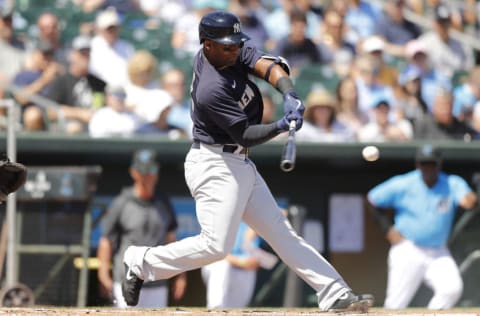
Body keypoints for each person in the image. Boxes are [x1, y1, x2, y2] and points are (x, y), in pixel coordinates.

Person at [121, 10, 374, 312]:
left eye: (236, 44)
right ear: (207, 45)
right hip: (214, 163)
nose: (235, 50)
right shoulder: (209, 89)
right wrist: (281, 126)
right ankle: (141, 261)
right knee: (215, 247)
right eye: (227, 46)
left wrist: (289, 92)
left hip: (238, 164)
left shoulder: (228, 52)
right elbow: (245, 134)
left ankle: (334, 293)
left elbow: (266, 65)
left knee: (281, 233)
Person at [367, 144, 478, 309]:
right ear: (418, 165)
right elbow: (372, 199)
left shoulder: (451, 183)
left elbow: (468, 201)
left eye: (432, 164)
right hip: (409, 249)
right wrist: (387, 229)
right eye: (424, 164)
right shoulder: (404, 183)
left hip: (438, 252)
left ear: (439, 164)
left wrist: (472, 196)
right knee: (396, 304)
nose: (428, 168)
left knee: (451, 290)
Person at [97, 149, 186, 308]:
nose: (147, 176)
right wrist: (103, 273)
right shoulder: (122, 202)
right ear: (134, 172)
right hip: (126, 280)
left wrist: (180, 275)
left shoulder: (163, 202)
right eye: (143, 171)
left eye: (151, 170)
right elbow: (106, 240)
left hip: (157, 281)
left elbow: (171, 239)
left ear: (157, 172)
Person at [46, 35, 106, 134]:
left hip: (95, 126)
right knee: (74, 127)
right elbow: (50, 111)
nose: (86, 57)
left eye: (88, 53)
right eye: (82, 53)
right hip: (68, 129)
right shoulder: (62, 81)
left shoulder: (98, 83)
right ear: (72, 55)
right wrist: (79, 114)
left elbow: (102, 106)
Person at [201, 222, 267, 308]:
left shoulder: (256, 219)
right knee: (221, 265)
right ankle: (215, 308)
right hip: (219, 264)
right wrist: (240, 262)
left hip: (244, 268)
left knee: (236, 308)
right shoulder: (221, 217)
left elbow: (282, 213)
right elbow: (212, 250)